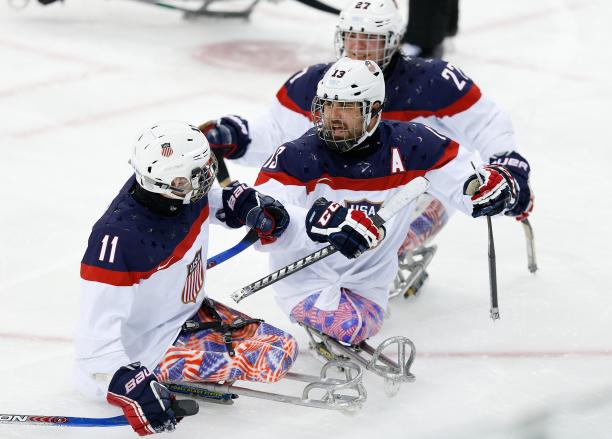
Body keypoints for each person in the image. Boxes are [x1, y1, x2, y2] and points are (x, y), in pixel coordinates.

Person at [200, 0, 533, 297]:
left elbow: (487, 124)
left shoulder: (434, 81)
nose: (358, 48)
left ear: (393, 41)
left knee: (378, 240)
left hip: (413, 195)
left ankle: (371, 278)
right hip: (342, 193)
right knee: (315, 220)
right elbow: (274, 133)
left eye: (370, 40)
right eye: (351, 38)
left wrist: (507, 169)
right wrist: (236, 137)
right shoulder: (317, 83)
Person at [249, 58, 521, 351]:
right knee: (350, 326)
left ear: (374, 110)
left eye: (347, 107)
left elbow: (466, 180)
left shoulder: (413, 144)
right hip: (306, 282)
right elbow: (264, 214)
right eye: (327, 105)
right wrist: (317, 223)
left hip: (369, 285)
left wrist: (490, 186)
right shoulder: (297, 155)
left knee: (361, 322)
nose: (333, 117)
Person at [74, 121, 294, 436]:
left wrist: (237, 206)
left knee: (281, 346)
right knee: (272, 356)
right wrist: (130, 386)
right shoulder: (117, 240)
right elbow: (93, 350)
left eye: (207, 170)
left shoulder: (176, 192)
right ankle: (160, 373)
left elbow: (207, 200)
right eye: (197, 175)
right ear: (169, 181)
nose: (206, 180)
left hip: (185, 316)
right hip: (146, 349)